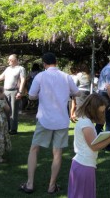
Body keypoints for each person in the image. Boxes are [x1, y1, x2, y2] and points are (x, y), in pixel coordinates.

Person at [19, 52, 80, 194]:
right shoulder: (66, 77)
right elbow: (77, 93)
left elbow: (32, 96)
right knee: (57, 153)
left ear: (44, 64)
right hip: (61, 120)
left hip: (45, 119)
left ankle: (30, 184)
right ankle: (51, 186)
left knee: (34, 149)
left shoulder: (40, 76)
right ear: (56, 62)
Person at [68, 94, 110, 198]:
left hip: (84, 164)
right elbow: (94, 147)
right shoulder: (86, 124)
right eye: (101, 112)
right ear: (93, 110)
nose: (102, 114)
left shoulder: (86, 121)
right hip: (84, 166)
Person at [0, 54, 26, 135]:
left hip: (14, 91)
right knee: (6, 110)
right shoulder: (8, 69)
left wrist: (20, 92)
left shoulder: (21, 68)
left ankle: (13, 130)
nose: (8, 61)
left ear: (16, 60)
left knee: (13, 111)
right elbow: (1, 77)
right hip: (5, 92)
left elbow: (23, 80)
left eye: (10, 60)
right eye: (8, 59)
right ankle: (6, 128)